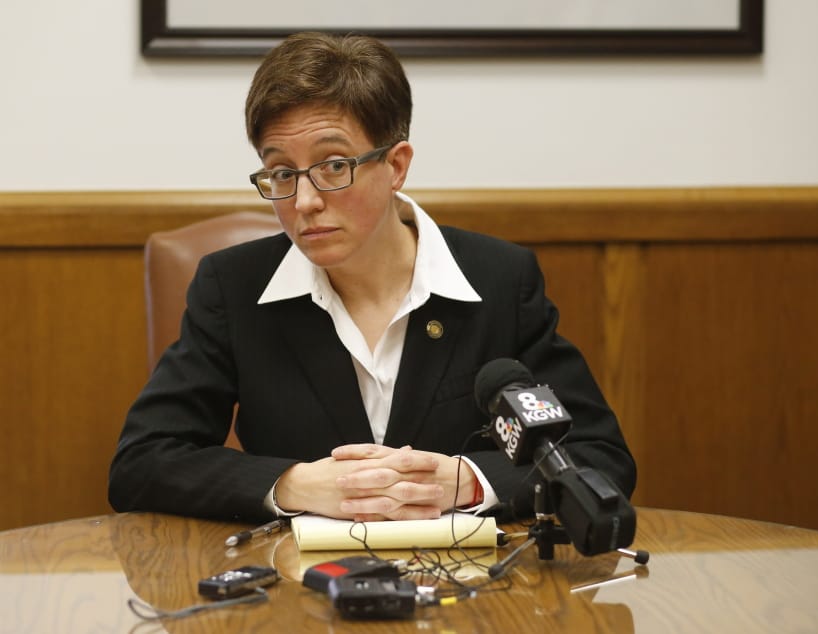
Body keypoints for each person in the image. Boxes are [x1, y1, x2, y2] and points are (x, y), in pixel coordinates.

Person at [108, 32, 635, 525]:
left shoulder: (497, 280)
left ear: (396, 165)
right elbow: (142, 462)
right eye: (282, 173)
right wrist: (291, 485)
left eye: (334, 166)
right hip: (296, 594)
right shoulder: (235, 287)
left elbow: (598, 458)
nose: (305, 202)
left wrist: (470, 482)